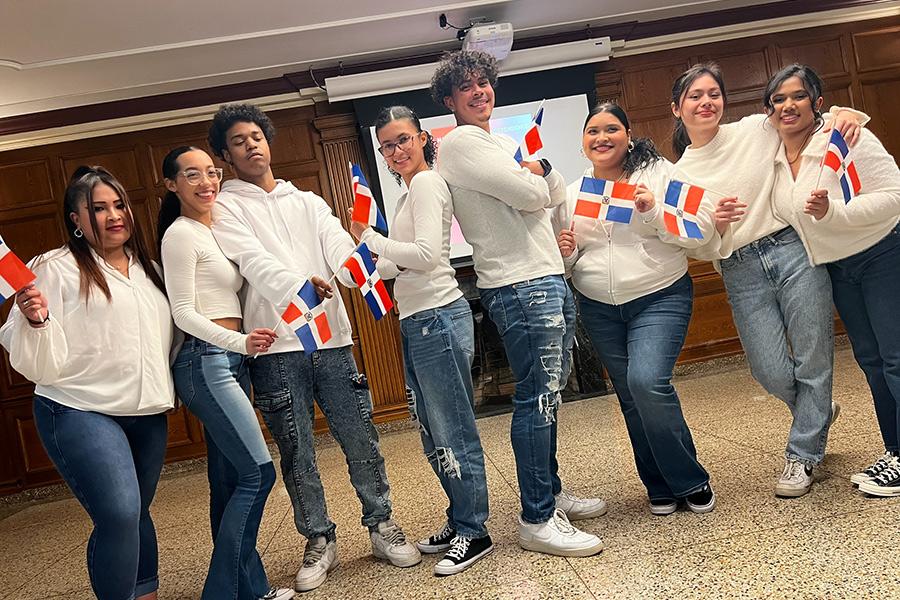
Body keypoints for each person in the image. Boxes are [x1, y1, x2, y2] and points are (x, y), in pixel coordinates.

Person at [207, 103, 420, 592]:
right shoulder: (224, 208)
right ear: (226, 153)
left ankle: (381, 523)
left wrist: (373, 267)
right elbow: (253, 261)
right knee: (297, 451)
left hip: (331, 338)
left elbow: (341, 255)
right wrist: (300, 285)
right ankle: (319, 538)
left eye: (256, 136)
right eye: (239, 141)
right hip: (276, 346)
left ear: (268, 140)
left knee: (360, 437)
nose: (251, 146)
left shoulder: (307, 201)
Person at [432, 50, 605, 558]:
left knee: (547, 395)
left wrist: (539, 177)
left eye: (485, 82)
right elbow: (535, 195)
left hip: (545, 275)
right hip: (521, 285)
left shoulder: (500, 141)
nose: (480, 91)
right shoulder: (460, 144)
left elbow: (547, 195)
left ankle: (547, 495)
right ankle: (537, 519)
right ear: (450, 100)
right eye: (468, 87)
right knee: (538, 398)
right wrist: (542, 172)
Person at [671, 63, 865, 498]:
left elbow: (811, 116)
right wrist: (715, 227)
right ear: (677, 108)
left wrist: (847, 113)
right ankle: (814, 411)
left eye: (713, 94)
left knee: (814, 354)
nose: (707, 102)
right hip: (739, 268)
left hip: (792, 249)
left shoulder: (756, 129)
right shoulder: (678, 175)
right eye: (695, 96)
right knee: (769, 369)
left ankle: (802, 456)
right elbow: (693, 246)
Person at [556, 102, 739, 515]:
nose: (602, 138)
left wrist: (653, 211)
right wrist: (566, 254)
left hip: (660, 295)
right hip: (599, 308)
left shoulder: (658, 174)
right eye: (593, 131)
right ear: (583, 142)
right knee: (630, 396)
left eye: (612, 129)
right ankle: (657, 483)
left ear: (628, 134)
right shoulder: (570, 194)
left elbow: (699, 230)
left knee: (647, 383)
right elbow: (567, 258)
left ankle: (689, 478)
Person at [0, 166, 173, 600]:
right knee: (119, 512)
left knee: (137, 514)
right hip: (78, 408)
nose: (114, 215)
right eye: (98, 208)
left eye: (119, 204)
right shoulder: (52, 268)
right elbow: (24, 351)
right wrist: (35, 318)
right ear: (75, 219)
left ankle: (145, 592)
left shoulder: (150, 270)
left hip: (147, 412)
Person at [349, 105, 492, 575]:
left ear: (423, 138)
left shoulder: (428, 183)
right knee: (433, 432)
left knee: (452, 430)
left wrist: (370, 240)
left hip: (436, 316)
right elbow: (399, 263)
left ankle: (475, 530)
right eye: (387, 145)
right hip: (417, 319)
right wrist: (357, 271)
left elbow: (428, 256)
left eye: (403, 139)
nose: (396, 151)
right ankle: (459, 517)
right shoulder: (410, 193)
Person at [157, 146, 293, 600]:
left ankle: (249, 590)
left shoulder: (213, 229)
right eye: (191, 175)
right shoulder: (180, 234)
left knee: (230, 480)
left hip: (229, 362)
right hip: (205, 360)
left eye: (211, 173)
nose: (205, 182)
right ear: (171, 184)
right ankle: (222, 592)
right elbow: (183, 313)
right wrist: (239, 342)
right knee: (259, 474)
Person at [763, 64, 900, 497]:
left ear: (817, 102)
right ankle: (895, 451)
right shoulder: (770, 155)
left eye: (798, 96)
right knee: (873, 362)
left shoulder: (845, 136)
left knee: (896, 358)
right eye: (778, 99)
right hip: (838, 267)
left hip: (882, 252)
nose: (788, 105)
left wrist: (835, 214)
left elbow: (894, 194)